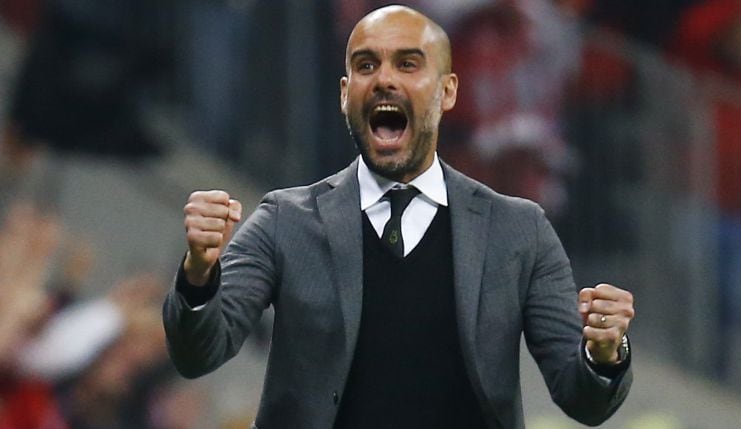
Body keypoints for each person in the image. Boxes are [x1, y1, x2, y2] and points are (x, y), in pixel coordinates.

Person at [163, 5, 634, 428]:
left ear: (447, 91)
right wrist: (200, 274)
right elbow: (199, 353)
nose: (384, 79)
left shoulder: (519, 230)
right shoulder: (284, 221)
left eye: (408, 63)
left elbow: (583, 399)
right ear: (346, 95)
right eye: (366, 65)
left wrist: (605, 353)